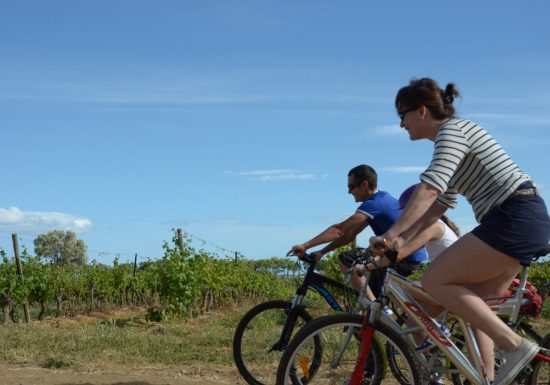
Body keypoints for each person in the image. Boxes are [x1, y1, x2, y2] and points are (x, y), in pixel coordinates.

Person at [372, 77, 550, 385]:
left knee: (433, 280)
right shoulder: (455, 138)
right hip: (520, 217)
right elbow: (440, 205)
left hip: (513, 216)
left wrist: (391, 234)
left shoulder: (453, 132)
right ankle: (489, 379)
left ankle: (515, 346)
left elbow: (428, 190)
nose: (400, 124)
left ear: (422, 111)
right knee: (472, 306)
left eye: (402, 114)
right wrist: (399, 240)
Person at [287, 164, 428, 305]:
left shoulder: (374, 204)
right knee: (366, 294)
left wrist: (306, 245)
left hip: (402, 256)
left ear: (365, 184)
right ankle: (373, 313)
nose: (349, 192)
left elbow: (339, 230)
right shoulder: (382, 198)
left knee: (347, 260)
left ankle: (375, 309)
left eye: (351, 187)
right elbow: (348, 235)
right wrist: (322, 252)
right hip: (407, 255)